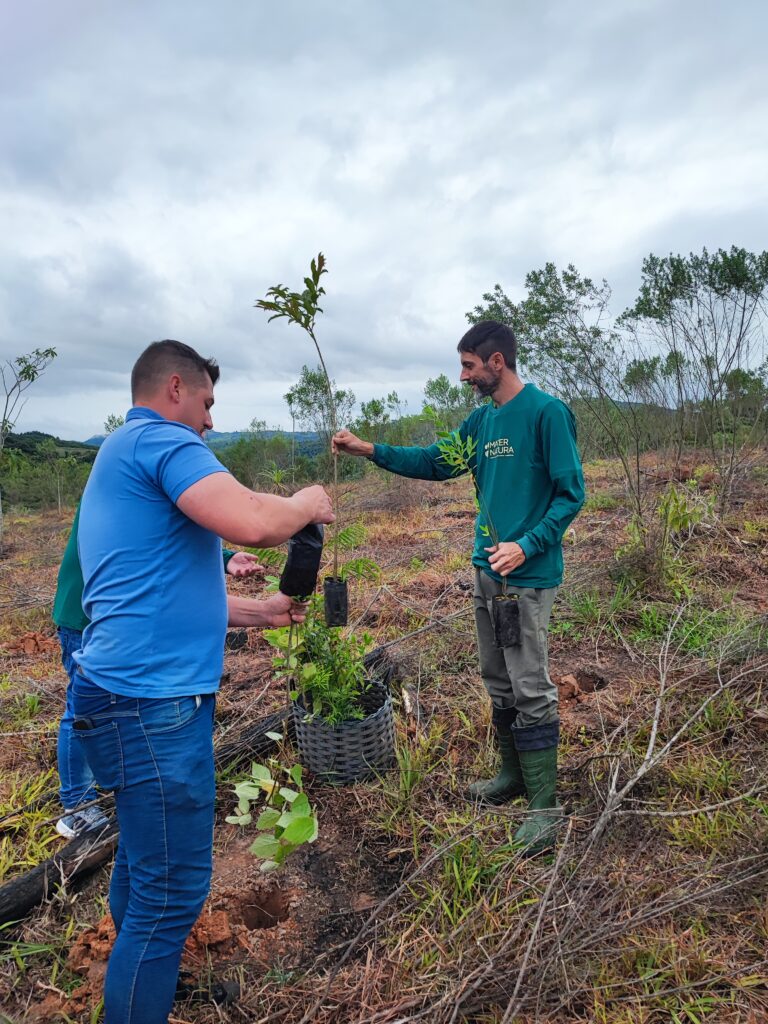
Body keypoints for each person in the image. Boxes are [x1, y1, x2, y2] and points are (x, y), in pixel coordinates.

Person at [72, 339, 334, 1024]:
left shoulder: (122, 453)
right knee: (170, 893)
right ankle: (139, 996)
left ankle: (146, 979)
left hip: (122, 698)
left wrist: (261, 612)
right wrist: (307, 501)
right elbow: (253, 518)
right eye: (209, 404)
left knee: (143, 863)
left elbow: (155, 594)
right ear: (176, 387)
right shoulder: (162, 441)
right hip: (148, 709)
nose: (211, 421)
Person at [333, 321, 584, 855]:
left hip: (527, 578)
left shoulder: (546, 413)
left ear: (497, 362)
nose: (464, 376)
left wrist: (527, 544)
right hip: (485, 572)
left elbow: (571, 494)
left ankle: (544, 806)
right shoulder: (480, 422)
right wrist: (367, 448)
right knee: (498, 678)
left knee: (530, 683)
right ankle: (510, 776)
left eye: (469, 365)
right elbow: (431, 461)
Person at [52, 503, 263, 838]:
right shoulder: (127, 484)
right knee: (80, 710)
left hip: (117, 618)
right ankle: (76, 805)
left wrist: (224, 558)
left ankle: (124, 782)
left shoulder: (140, 483)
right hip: (89, 618)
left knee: (113, 705)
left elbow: (171, 533)